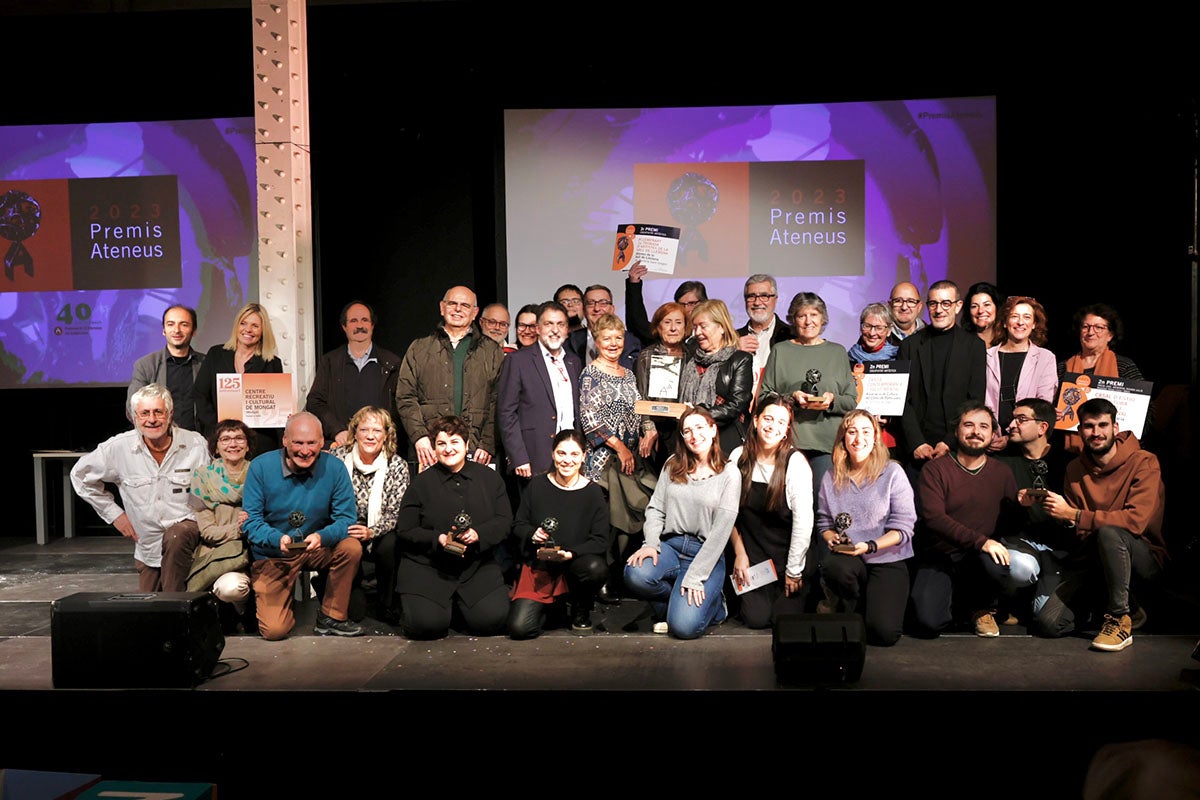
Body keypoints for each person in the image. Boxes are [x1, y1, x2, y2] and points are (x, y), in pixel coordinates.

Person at [1036, 398, 1166, 652]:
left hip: (1143, 557)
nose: (1096, 433)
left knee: (1110, 533)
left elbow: (1135, 521)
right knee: (1049, 624)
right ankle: (1114, 604)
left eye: (1103, 425)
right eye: (1088, 426)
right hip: (1095, 561)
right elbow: (1078, 529)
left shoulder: (1144, 462)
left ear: (1115, 428)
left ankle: (1119, 618)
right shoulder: (1075, 469)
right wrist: (1060, 516)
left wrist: (1075, 515)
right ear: (1080, 431)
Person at [71, 383, 210, 592]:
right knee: (149, 610)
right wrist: (115, 515)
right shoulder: (118, 448)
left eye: (158, 412)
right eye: (144, 413)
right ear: (135, 417)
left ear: (170, 414)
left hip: (188, 537)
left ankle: (174, 610)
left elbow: (212, 488)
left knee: (177, 534)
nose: (152, 419)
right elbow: (80, 476)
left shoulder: (196, 444)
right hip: (148, 547)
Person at [241, 411, 363, 639]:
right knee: (275, 631)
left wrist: (321, 537)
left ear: (321, 442)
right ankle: (281, 599)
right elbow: (251, 522)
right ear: (285, 440)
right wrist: (276, 539)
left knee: (351, 547)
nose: (305, 451)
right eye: (298, 443)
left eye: (312, 443)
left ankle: (331, 617)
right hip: (274, 554)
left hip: (316, 548)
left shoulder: (335, 468)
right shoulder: (260, 467)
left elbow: (346, 519)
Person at [624, 406, 739, 639]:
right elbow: (656, 508)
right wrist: (651, 544)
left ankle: (716, 607)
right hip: (672, 546)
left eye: (699, 428)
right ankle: (679, 598)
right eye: (687, 431)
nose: (694, 436)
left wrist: (695, 576)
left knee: (683, 628)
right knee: (635, 573)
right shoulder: (672, 464)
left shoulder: (729, 474)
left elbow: (721, 532)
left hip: (705, 553)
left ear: (713, 430)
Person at [394, 416, 513, 639]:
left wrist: (479, 534)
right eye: (441, 443)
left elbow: (505, 520)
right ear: (434, 448)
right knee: (426, 627)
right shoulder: (420, 483)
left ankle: (457, 609)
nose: (448, 449)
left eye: (455, 442)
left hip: (475, 566)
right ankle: (437, 609)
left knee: (491, 622)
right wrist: (436, 538)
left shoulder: (490, 478)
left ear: (467, 445)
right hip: (428, 567)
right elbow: (405, 530)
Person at [909, 402, 1018, 638]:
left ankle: (983, 607)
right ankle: (961, 605)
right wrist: (982, 541)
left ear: (992, 434)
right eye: (968, 425)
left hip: (979, 559)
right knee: (927, 624)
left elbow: (1011, 522)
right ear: (957, 432)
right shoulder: (935, 469)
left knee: (997, 563)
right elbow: (934, 518)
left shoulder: (1003, 472)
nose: (976, 432)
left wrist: (1023, 507)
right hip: (941, 556)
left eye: (983, 427)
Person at [815, 410, 917, 645]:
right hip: (851, 559)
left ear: (875, 438)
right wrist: (831, 538)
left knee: (884, 634)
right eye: (852, 432)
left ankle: (865, 610)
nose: (858, 439)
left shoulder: (893, 472)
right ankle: (854, 606)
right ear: (843, 438)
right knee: (833, 567)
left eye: (865, 432)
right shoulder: (831, 476)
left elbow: (903, 529)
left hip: (887, 557)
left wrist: (870, 546)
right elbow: (825, 523)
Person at [507, 430, 611, 638]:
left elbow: (600, 541)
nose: (567, 460)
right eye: (561, 453)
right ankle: (556, 608)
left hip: (575, 566)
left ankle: (581, 607)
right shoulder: (536, 485)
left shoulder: (593, 493)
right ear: (553, 454)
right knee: (520, 629)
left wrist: (571, 553)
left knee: (595, 568)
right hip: (541, 567)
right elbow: (518, 524)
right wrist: (532, 534)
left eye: (574, 454)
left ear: (583, 457)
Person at [991, 398, 1077, 633]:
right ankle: (1009, 603)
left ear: (1042, 428)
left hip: (1058, 551)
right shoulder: (1002, 463)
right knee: (1020, 568)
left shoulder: (1068, 463)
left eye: (1021, 419)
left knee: (1046, 621)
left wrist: (1066, 516)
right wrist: (1017, 506)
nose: (1011, 425)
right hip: (1022, 544)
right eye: (1012, 419)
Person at [727, 394, 813, 629]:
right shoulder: (738, 457)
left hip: (788, 559)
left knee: (784, 621)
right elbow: (728, 515)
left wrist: (794, 571)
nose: (772, 426)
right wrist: (740, 553)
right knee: (756, 619)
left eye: (780, 422)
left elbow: (803, 523)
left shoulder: (796, 464)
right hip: (753, 558)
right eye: (768, 418)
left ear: (786, 429)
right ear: (755, 420)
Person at [395, 285, 503, 470]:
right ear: (442, 307)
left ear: (475, 312)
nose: (458, 309)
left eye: (465, 305)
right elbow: (405, 397)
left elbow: (499, 401)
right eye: (452, 304)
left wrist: (487, 443)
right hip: (429, 450)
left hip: (476, 451)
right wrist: (419, 437)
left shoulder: (491, 351)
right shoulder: (419, 348)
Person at [760, 291, 856, 489]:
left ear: (823, 318)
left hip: (827, 445)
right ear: (793, 320)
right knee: (786, 505)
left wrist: (832, 401)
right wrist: (791, 399)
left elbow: (851, 401)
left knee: (820, 504)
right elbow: (764, 396)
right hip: (788, 442)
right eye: (802, 315)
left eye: (814, 315)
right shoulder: (781, 350)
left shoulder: (837, 352)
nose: (808, 321)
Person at [897, 280, 986, 481]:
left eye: (946, 303)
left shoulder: (974, 346)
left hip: (957, 449)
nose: (939, 310)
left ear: (958, 306)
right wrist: (916, 442)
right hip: (918, 453)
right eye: (933, 304)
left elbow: (975, 401)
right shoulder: (909, 346)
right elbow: (902, 400)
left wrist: (949, 442)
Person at [328, 406, 410, 625]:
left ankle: (387, 603)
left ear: (386, 435)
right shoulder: (335, 459)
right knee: (355, 613)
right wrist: (344, 527)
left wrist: (371, 531)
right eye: (364, 429)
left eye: (377, 430)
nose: (370, 436)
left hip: (380, 531)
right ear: (354, 432)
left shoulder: (397, 465)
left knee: (391, 544)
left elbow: (395, 513)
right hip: (343, 530)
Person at [171, 418, 257, 624]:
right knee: (232, 588)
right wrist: (244, 528)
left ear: (248, 445)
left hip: (257, 553)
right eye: (225, 439)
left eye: (239, 438)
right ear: (216, 448)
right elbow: (209, 531)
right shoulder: (202, 477)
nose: (233, 444)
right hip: (219, 555)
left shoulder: (260, 472)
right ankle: (237, 613)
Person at [497, 300, 581, 481]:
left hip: (569, 458)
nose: (555, 330)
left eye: (560, 324)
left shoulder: (573, 362)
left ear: (567, 329)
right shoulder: (518, 361)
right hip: (533, 457)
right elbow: (506, 413)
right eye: (548, 324)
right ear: (537, 328)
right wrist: (518, 457)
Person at [305, 300, 402, 449]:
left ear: (372, 325)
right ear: (344, 326)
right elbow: (315, 401)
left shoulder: (392, 363)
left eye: (365, 320)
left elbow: (400, 404)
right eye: (353, 321)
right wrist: (337, 430)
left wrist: (383, 433)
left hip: (380, 447)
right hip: (341, 445)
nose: (360, 326)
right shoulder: (330, 362)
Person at [193, 301, 284, 454]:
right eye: (243, 323)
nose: (248, 329)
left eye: (255, 326)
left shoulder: (272, 363)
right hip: (222, 441)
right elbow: (201, 395)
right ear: (237, 326)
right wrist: (218, 431)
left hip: (259, 445)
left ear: (263, 330)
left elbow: (277, 409)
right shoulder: (215, 354)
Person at [1056, 303, 1148, 454]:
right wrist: (1054, 413)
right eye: (1085, 327)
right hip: (1072, 453)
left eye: (1099, 328)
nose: (1091, 332)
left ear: (1110, 335)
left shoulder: (1124, 366)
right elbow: (1049, 405)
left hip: (1117, 451)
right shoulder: (1062, 368)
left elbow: (1146, 411)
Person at [679, 299, 754, 457]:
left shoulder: (740, 360)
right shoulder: (688, 359)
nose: (698, 332)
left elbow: (736, 405)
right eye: (695, 327)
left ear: (721, 327)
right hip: (690, 442)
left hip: (725, 441)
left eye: (703, 326)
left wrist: (698, 416)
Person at [985, 295, 1058, 450]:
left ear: (1033, 324)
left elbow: (1042, 405)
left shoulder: (1045, 358)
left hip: (1026, 444)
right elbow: (980, 399)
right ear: (1004, 322)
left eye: (1027, 317)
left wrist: (1010, 437)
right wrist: (989, 433)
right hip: (990, 440)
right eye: (1014, 316)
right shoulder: (987, 357)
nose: (1020, 322)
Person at [128, 304, 205, 431]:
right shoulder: (145, 365)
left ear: (194, 330)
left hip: (199, 440)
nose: (177, 330)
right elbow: (133, 408)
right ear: (163, 330)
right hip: (160, 440)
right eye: (170, 324)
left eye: (184, 324)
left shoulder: (206, 364)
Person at [634, 301, 688, 474]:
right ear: (658, 326)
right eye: (667, 322)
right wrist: (648, 429)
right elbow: (641, 395)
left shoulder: (693, 355)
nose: (673, 328)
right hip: (656, 429)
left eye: (678, 322)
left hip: (684, 428)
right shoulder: (647, 355)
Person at [566, 283, 642, 371]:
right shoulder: (569, 341)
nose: (597, 308)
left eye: (603, 303)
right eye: (590, 303)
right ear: (584, 310)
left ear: (612, 309)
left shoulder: (631, 342)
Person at [737, 273, 792, 376]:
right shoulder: (733, 338)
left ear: (775, 299)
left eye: (764, 296)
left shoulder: (791, 335)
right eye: (751, 296)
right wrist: (732, 349)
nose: (757, 302)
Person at [885, 280, 925, 345]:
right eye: (898, 301)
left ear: (919, 307)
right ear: (889, 305)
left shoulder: (932, 336)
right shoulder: (876, 336)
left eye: (911, 301)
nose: (904, 307)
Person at [966, 281, 1004, 348]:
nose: (980, 311)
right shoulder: (962, 342)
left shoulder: (1008, 341)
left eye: (987, 305)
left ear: (997, 307)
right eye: (974, 306)